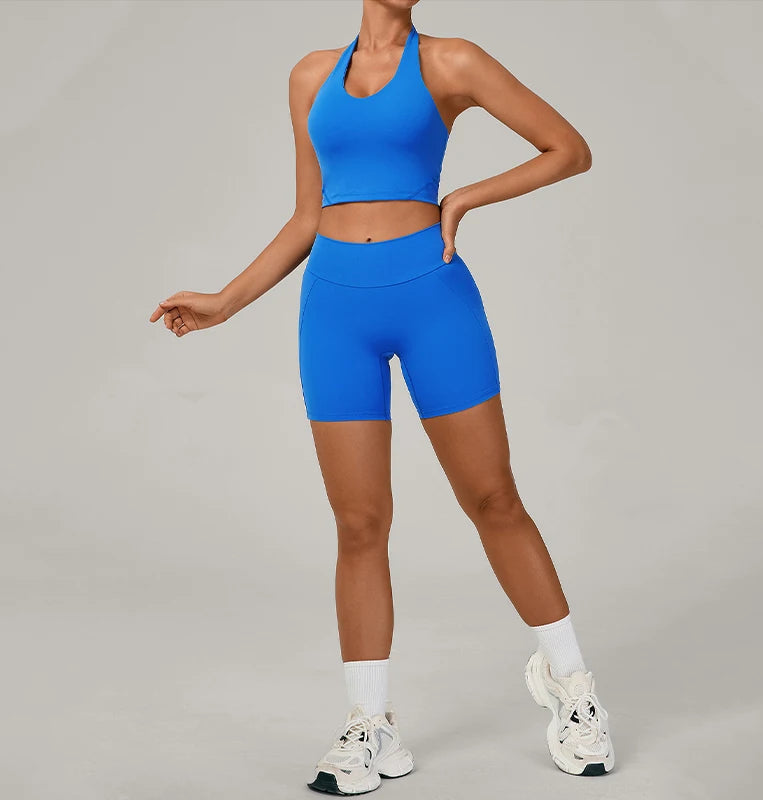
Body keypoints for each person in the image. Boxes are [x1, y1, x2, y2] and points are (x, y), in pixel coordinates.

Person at [149, 0, 615, 793]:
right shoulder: (309, 76)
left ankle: (573, 687)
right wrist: (226, 301)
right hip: (334, 310)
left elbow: (569, 150)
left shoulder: (451, 61)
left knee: (493, 499)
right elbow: (308, 215)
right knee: (359, 523)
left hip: (432, 295)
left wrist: (463, 198)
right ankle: (372, 725)